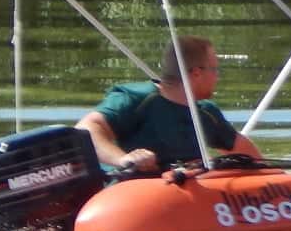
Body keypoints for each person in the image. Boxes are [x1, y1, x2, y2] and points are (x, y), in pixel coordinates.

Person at [76, 35, 259, 173]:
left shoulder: (206, 113)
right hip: (134, 198)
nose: (217, 77)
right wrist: (124, 159)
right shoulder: (137, 99)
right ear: (196, 73)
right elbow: (87, 129)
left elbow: (250, 156)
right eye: (215, 69)